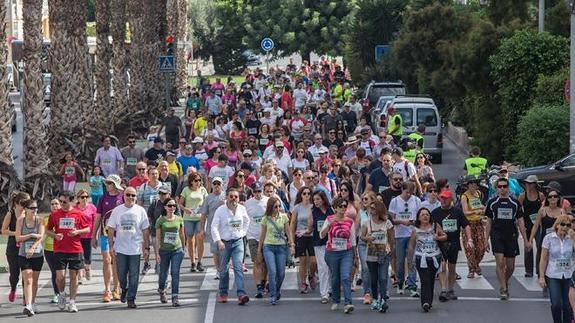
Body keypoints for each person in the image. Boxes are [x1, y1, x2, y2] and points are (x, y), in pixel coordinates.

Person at [485, 177, 530, 300]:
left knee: (510, 266)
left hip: (511, 236)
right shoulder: (492, 203)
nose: (502, 189)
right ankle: (503, 288)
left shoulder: (515, 203)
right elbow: (488, 222)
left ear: (508, 188)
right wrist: (486, 240)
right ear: (496, 188)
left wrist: (526, 240)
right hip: (497, 235)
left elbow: (521, 222)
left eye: (505, 186)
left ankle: (504, 280)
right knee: (500, 262)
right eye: (500, 186)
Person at [46, 191, 91, 313]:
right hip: (59, 249)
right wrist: (55, 235)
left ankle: (72, 302)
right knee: (60, 277)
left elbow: (87, 228)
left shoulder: (78, 213)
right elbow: (47, 230)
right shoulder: (55, 215)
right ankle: (61, 294)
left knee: (74, 277)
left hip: (75, 249)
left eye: (64, 202)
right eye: (60, 201)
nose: (61, 204)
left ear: (71, 201)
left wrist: (77, 232)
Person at [107, 187, 151, 309]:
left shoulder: (140, 211)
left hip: (135, 248)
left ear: (136, 197)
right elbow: (111, 229)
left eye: (133, 195)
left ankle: (131, 298)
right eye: (128, 195)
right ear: (123, 196)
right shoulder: (117, 211)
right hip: (120, 248)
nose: (130, 197)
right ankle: (124, 288)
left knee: (134, 274)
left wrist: (146, 248)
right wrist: (111, 246)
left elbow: (145, 230)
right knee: (121, 273)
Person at [211, 188, 251, 305]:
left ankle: (241, 294)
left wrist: (243, 233)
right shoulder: (220, 210)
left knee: (238, 267)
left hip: (238, 242)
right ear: (227, 197)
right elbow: (214, 226)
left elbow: (247, 221)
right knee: (224, 270)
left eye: (236, 197)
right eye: (231, 196)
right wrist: (218, 241)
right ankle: (223, 293)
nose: (234, 199)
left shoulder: (242, 209)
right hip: (225, 243)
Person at [431, 189, 472, 302]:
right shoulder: (435, 212)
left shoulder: (457, 212)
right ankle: (443, 289)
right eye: (442, 198)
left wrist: (469, 239)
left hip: (453, 243)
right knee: (443, 266)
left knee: (452, 268)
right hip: (440, 244)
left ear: (451, 199)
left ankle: (450, 289)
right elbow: (429, 227)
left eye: (445, 198)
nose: (443, 200)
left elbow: (466, 225)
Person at [320, 197, 358, 314]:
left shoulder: (350, 221)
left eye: (344, 206)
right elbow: (321, 235)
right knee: (335, 278)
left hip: (346, 252)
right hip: (332, 252)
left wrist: (355, 256)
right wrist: (329, 225)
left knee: (345, 277)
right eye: (340, 206)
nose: (343, 208)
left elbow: (352, 240)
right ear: (335, 208)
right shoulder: (329, 219)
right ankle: (336, 300)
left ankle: (348, 303)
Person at [407, 208, 447, 312]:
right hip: (421, 257)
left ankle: (429, 301)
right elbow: (411, 246)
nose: (425, 216)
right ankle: (425, 302)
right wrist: (410, 261)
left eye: (427, 215)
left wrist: (438, 238)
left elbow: (445, 236)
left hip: (435, 257)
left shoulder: (435, 226)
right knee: (424, 280)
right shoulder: (415, 230)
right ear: (419, 218)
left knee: (431, 280)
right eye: (422, 215)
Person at [258, 197, 295, 305]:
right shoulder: (265, 218)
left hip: (281, 247)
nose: (278, 208)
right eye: (275, 207)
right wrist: (259, 250)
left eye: (279, 206)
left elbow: (288, 232)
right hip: (268, 246)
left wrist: (292, 244)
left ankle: (277, 290)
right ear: (270, 207)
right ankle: (273, 295)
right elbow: (262, 235)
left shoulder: (283, 217)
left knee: (281, 273)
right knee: (272, 271)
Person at [360, 199, 394, 313]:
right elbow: (361, 236)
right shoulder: (366, 222)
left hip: (384, 253)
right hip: (371, 254)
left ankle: (383, 299)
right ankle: (375, 299)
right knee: (373, 278)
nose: (371, 210)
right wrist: (367, 238)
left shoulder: (387, 223)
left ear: (379, 209)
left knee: (383, 278)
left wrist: (392, 251)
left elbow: (391, 238)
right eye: (370, 208)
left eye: (373, 208)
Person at [539, 215, 575, 323]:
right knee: (556, 304)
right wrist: (541, 277)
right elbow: (544, 258)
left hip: (568, 275)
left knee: (567, 305)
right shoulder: (549, 238)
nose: (565, 227)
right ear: (557, 225)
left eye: (568, 225)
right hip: (553, 274)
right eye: (562, 224)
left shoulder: (572, 238)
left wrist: (573, 239)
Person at [529, 187, 567, 286]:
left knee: (555, 259)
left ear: (558, 198)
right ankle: (542, 277)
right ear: (547, 199)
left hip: (558, 240)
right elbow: (536, 226)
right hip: (545, 239)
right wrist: (529, 240)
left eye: (555, 196)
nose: (553, 198)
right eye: (550, 197)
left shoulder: (562, 212)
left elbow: (567, 226)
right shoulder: (542, 211)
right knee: (543, 258)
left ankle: (556, 279)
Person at [388, 181, 421, 297]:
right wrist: (403, 222)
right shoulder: (395, 201)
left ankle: (412, 285)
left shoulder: (416, 200)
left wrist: (414, 222)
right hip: (399, 235)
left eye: (411, 193)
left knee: (411, 261)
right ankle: (401, 282)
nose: (409, 195)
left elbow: (420, 217)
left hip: (412, 234)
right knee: (400, 261)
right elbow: (391, 220)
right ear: (402, 190)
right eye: (407, 192)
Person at [15, 199, 44, 316]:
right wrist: (31, 235)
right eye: (32, 208)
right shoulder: (20, 221)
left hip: (37, 254)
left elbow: (41, 237)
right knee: (28, 279)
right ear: (26, 209)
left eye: (36, 208)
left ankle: (33, 302)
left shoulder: (40, 220)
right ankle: (28, 305)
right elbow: (18, 238)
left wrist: (33, 247)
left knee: (35, 281)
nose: (34, 210)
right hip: (23, 255)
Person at [155, 198, 186, 307]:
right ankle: (162, 290)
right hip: (164, 251)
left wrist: (183, 248)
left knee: (175, 272)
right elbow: (158, 238)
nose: (172, 208)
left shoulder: (179, 219)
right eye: (169, 205)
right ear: (165, 207)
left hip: (176, 250)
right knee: (163, 273)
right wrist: (157, 253)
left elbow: (182, 234)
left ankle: (175, 297)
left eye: (174, 206)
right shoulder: (160, 221)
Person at [1, 191, 30, 303]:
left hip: (26, 247)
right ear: (17, 204)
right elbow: (3, 230)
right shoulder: (10, 214)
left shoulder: (29, 213)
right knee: (14, 274)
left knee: (26, 273)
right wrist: (17, 233)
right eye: (24, 204)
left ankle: (25, 296)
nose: (26, 207)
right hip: (13, 247)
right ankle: (13, 288)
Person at [307, 190, 334, 303]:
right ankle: (324, 293)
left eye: (318, 199)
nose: (316, 202)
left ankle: (331, 288)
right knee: (322, 268)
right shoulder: (313, 212)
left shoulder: (330, 210)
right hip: (318, 242)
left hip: (331, 242)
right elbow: (310, 228)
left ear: (323, 199)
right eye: (314, 200)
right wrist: (304, 231)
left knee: (331, 267)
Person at [179, 172, 208, 272]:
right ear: (191, 181)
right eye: (196, 180)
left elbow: (206, 202)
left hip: (200, 218)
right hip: (188, 218)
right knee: (190, 240)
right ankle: (192, 262)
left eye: (200, 180)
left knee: (200, 239)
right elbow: (180, 204)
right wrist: (185, 209)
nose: (198, 182)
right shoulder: (186, 190)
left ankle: (200, 261)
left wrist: (204, 210)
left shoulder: (203, 190)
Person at [245, 182, 270, 298]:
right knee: (257, 261)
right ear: (252, 192)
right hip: (252, 236)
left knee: (265, 262)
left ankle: (264, 282)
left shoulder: (268, 201)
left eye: (259, 191)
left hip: (266, 236)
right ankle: (259, 286)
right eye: (255, 191)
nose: (257, 194)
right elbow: (244, 218)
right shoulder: (247, 204)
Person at [291, 186, 317, 294]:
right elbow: (293, 223)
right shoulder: (297, 207)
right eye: (304, 193)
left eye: (308, 193)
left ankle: (311, 275)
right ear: (301, 195)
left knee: (313, 261)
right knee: (302, 261)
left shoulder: (314, 207)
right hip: (300, 236)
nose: (306, 195)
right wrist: (291, 241)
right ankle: (303, 282)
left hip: (312, 236)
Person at [518, 175, 545, 278]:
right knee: (528, 247)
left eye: (530, 183)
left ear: (535, 184)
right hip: (527, 224)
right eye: (526, 183)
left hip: (538, 224)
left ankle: (539, 269)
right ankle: (529, 270)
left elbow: (544, 209)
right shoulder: (522, 196)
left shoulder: (540, 195)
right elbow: (518, 210)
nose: (528, 185)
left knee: (540, 246)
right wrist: (520, 224)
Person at [460, 176, 487, 278]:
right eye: (470, 184)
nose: (473, 186)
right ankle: (472, 269)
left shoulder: (479, 194)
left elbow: (482, 206)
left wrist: (484, 209)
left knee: (481, 247)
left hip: (479, 223)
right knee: (470, 248)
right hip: (468, 224)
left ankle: (475, 265)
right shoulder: (464, 196)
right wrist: (475, 211)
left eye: (474, 183)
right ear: (467, 185)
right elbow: (465, 212)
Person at [75, 190, 96, 283]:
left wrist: (96, 234)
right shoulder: (74, 209)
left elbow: (96, 221)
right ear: (78, 198)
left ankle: (87, 269)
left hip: (88, 235)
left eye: (86, 197)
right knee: (79, 255)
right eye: (82, 197)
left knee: (87, 255)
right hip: (77, 236)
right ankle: (80, 274)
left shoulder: (92, 208)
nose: (84, 199)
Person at [44, 199, 61, 304]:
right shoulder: (45, 219)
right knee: (54, 272)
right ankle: (57, 294)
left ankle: (62, 292)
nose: (54, 206)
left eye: (56, 204)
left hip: (62, 249)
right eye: (52, 204)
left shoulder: (64, 217)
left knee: (61, 273)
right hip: (49, 249)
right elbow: (43, 232)